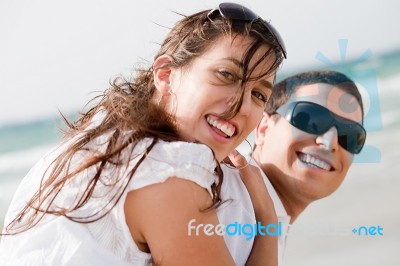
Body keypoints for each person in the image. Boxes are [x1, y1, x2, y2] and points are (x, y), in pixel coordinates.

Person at [0, 3, 286, 265]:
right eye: (226, 75)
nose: (243, 106)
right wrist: (268, 220)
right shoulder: (166, 170)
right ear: (165, 74)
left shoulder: (95, 139)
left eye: (259, 94)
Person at [217, 70, 366, 265]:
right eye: (310, 119)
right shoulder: (229, 199)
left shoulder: (265, 215)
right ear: (263, 128)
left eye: (349, 135)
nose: (329, 142)